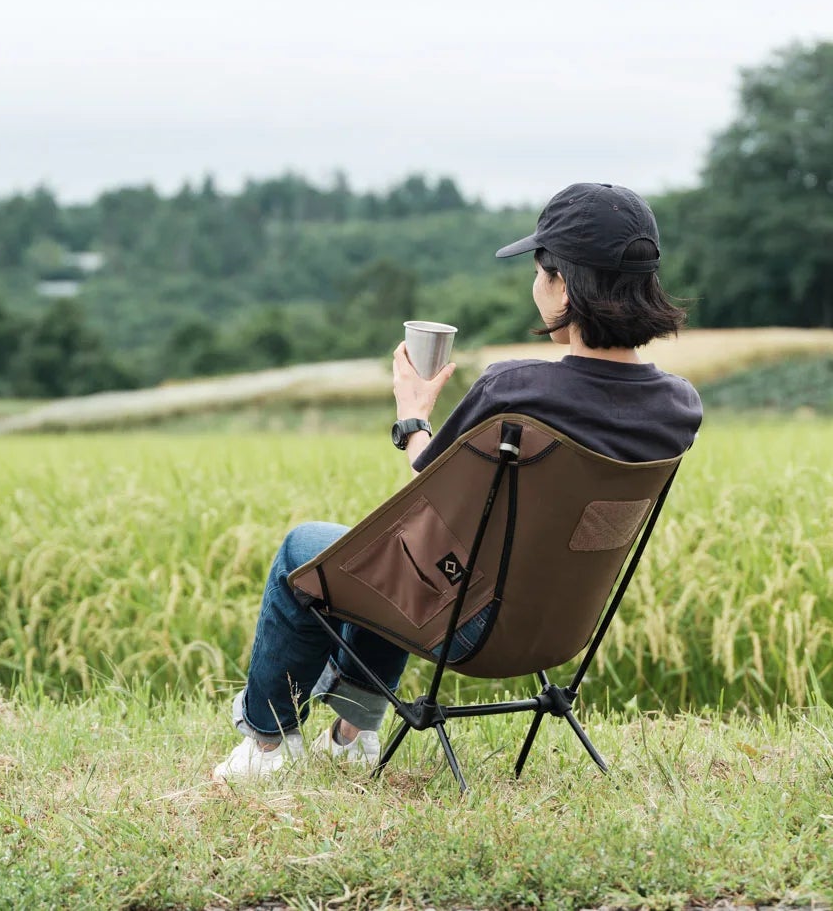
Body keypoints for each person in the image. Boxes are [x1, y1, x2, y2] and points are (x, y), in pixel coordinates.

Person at [214, 182, 704, 781]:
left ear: (564, 285)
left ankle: (269, 745)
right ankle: (349, 733)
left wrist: (412, 414)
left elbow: (427, 487)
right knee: (402, 553)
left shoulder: (515, 391)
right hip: (561, 631)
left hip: (469, 624)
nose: (535, 285)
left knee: (313, 547)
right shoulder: (679, 406)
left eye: (539, 269)